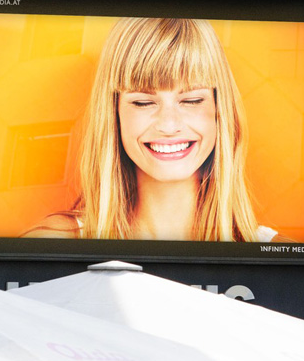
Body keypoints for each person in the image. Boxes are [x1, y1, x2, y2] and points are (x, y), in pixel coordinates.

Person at [27, 16, 278, 244]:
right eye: (143, 102)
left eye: (191, 100)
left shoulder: (278, 255)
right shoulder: (49, 243)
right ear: (114, 114)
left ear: (219, 110)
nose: (168, 125)